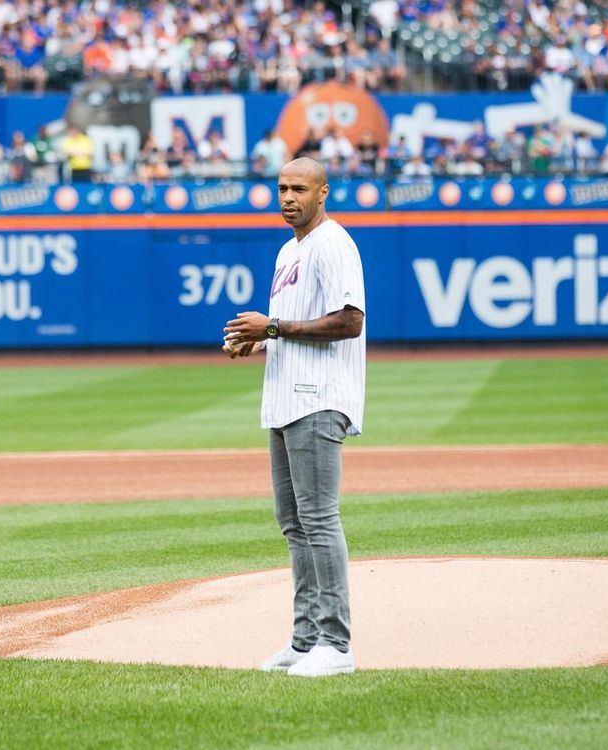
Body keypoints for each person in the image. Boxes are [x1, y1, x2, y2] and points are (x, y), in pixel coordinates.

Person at [222, 157, 366, 677]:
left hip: (319, 397)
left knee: (319, 518)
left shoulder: (334, 244)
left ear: (323, 193)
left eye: (299, 188)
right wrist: (256, 342)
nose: (288, 197)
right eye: (282, 188)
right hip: (285, 398)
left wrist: (272, 328)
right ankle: (305, 640)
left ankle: (336, 644)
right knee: (293, 523)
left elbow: (349, 321)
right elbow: (287, 327)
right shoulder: (289, 250)